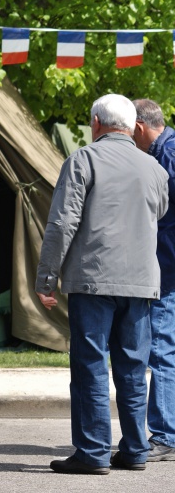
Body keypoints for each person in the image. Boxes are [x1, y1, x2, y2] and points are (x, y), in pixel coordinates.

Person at [35, 93, 169, 475]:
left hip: (92, 280)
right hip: (141, 284)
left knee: (91, 364)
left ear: (95, 123)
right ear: (131, 127)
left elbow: (62, 224)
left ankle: (92, 453)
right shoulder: (155, 169)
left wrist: (46, 278)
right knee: (133, 367)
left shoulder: (82, 160)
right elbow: (157, 213)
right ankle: (135, 450)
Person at [133, 98, 175, 462]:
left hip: (170, 272)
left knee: (161, 351)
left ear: (139, 128)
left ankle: (165, 436)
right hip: (167, 269)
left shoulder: (169, 156)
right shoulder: (165, 153)